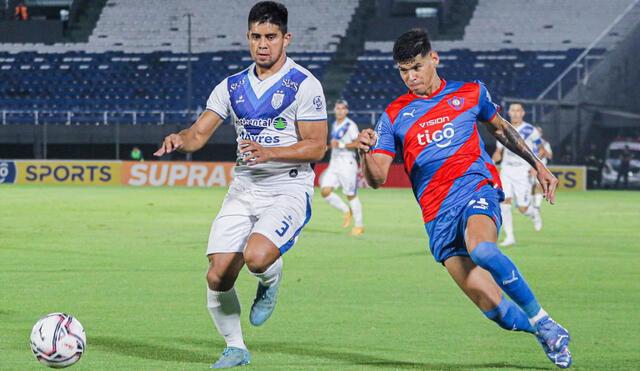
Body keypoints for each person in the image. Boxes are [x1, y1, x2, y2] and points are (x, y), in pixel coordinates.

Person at [356, 28, 571, 369]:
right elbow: (377, 178)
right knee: (494, 310)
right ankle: (545, 330)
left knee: (483, 249)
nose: (411, 77)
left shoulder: (469, 93)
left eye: (416, 67)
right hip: (436, 215)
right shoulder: (394, 115)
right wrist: (363, 154)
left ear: (434, 59)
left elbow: (500, 129)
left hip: (475, 188)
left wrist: (538, 165)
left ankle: (542, 318)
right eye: (403, 71)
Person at [154, 2, 327, 368]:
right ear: (248, 38)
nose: (262, 44)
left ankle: (269, 282)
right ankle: (236, 347)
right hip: (244, 188)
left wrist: (271, 152)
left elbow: (316, 145)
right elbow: (199, 133)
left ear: (286, 38)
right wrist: (179, 139)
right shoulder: (231, 87)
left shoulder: (304, 85)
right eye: (256, 37)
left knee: (257, 256)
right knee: (217, 274)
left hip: (288, 188)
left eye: (270, 37)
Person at [491, 103, 547, 246]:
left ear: (523, 113)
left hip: (522, 172)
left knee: (523, 209)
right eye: (513, 111)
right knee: (504, 203)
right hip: (506, 171)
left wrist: (535, 165)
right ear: (508, 113)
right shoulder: (502, 127)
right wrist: (491, 161)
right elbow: (499, 152)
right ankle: (510, 237)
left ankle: (534, 213)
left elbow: (542, 150)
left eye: (518, 111)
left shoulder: (530, 130)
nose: (515, 113)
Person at [319, 99, 364, 235]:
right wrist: (327, 147)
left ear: (347, 111)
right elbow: (335, 143)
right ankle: (346, 210)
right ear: (334, 110)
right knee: (325, 191)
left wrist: (341, 145)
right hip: (334, 163)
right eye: (337, 108)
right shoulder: (334, 124)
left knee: (351, 194)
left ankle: (359, 225)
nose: (340, 111)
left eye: (342, 108)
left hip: (347, 163)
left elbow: (358, 143)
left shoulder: (350, 125)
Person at [531, 126, 552, 212]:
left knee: (539, 186)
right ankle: (531, 205)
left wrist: (543, 148)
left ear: (541, 134)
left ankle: (537, 206)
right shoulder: (529, 142)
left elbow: (549, 156)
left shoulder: (546, 144)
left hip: (541, 167)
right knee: (530, 187)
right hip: (529, 167)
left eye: (539, 132)